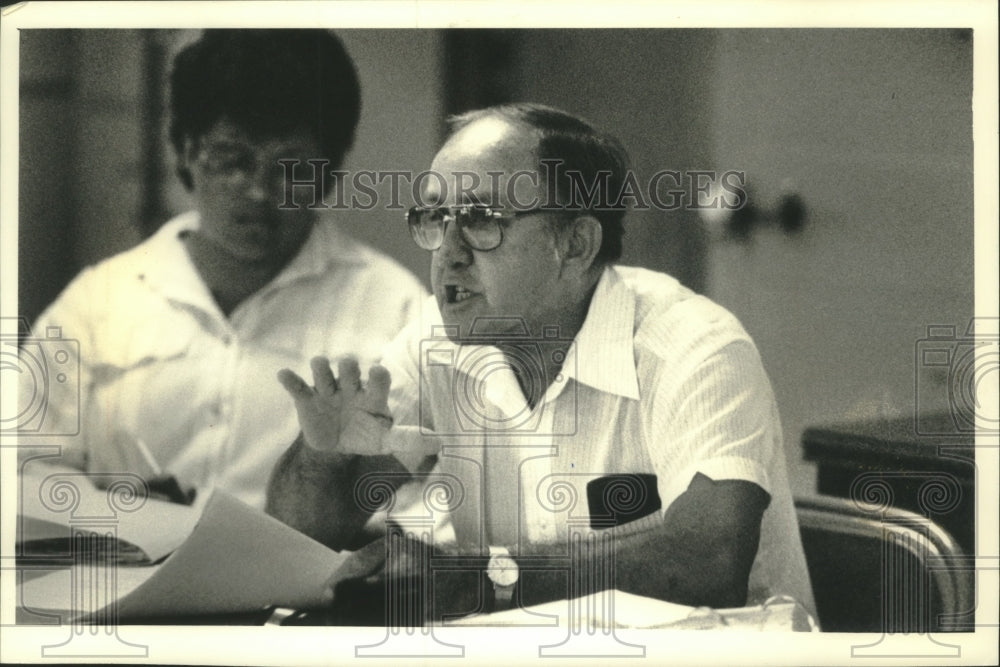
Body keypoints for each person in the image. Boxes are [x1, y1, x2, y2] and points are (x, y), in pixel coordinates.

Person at [267, 103, 815, 616]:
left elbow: (707, 562)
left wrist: (479, 579)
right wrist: (323, 460)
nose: (448, 253)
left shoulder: (695, 346)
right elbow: (299, 535)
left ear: (575, 244)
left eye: (482, 219)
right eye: (435, 217)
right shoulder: (433, 337)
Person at [19, 30, 426, 510]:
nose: (258, 190)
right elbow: (26, 469)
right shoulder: (98, 302)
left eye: (290, 166)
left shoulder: (396, 309)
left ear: (329, 172)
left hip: (307, 583)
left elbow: (417, 501)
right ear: (187, 152)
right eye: (232, 160)